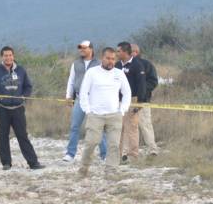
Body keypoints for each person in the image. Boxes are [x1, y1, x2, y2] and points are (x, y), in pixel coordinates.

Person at [0, 46, 45, 170]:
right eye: (6, 55)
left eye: (10, 55)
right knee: (3, 136)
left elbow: (28, 87)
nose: (8, 58)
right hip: (1, 108)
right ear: (2, 57)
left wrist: (24, 97)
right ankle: (6, 163)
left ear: (13, 56)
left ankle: (33, 163)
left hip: (18, 108)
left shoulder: (21, 70)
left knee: (22, 135)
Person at [77, 47, 131, 177]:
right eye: (108, 58)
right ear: (102, 58)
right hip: (95, 115)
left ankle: (111, 170)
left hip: (115, 115)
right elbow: (83, 92)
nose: (110, 61)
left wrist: (122, 110)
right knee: (91, 143)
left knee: (114, 145)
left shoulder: (119, 73)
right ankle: (84, 168)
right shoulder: (92, 72)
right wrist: (88, 110)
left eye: (113, 59)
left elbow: (127, 93)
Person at [62, 40, 107, 162]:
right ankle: (70, 154)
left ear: (91, 49)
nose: (81, 50)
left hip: (95, 99)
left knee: (98, 127)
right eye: (80, 48)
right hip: (80, 99)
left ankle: (105, 154)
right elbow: (71, 80)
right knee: (74, 126)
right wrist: (68, 96)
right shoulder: (76, 63)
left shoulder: (99, 63)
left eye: (84, 48)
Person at [116, 41, 149, 163]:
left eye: (119, 51)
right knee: (117, 128)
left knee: (131, 128)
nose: (117, 53)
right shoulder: (117, 65)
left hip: (132, 100)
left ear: (125, 52)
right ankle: (117, 154)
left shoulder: (137, 65)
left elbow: (142, 84)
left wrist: (140, 102)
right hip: (117, 100)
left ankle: (132, 155)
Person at [131, 43, 160, 156]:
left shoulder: (147, 65)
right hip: (126, 101)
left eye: (130, 51)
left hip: (143, 100)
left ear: (136, 52)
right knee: (129, 127)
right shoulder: (123, 65)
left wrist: (141, 90)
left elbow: (154, 81)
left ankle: (152, 149)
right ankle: (130, 151)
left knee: (145, 124)